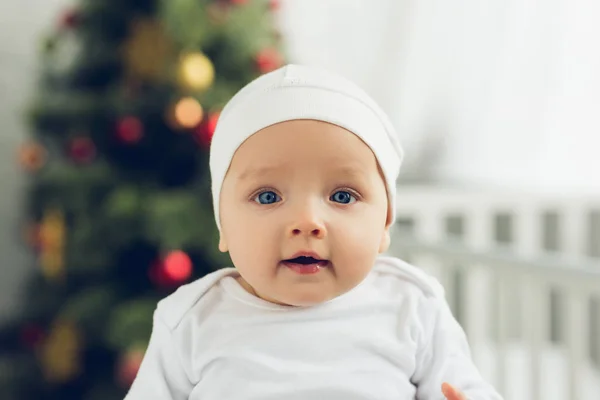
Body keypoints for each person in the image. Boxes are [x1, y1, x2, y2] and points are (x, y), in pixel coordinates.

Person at [125, 64, 502, 400]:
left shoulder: (413, 306)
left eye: (342, 195)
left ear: (385, 223)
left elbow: (464, 388)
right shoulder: (191, 320)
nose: (307, 221)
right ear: (222, 223)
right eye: (268, 196)